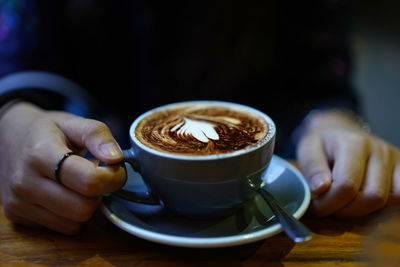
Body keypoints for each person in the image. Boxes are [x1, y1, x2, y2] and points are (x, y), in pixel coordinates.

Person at [0, 1, 399, 235]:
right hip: (86, 162)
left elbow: (321, 70)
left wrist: (333, 121)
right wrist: (13, 114)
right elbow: (18, 56)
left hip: (276, 145)